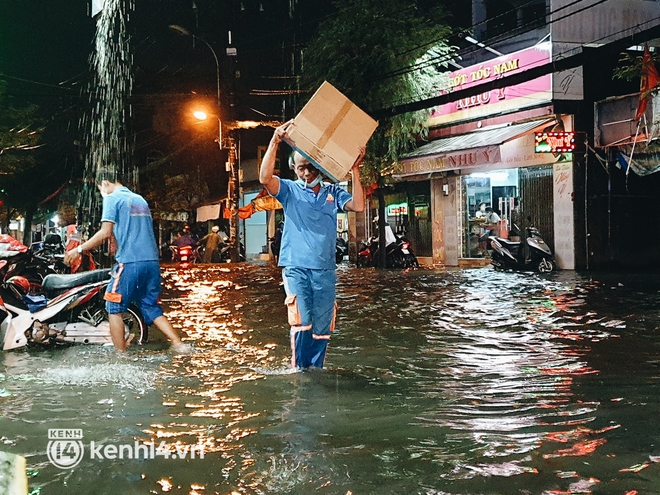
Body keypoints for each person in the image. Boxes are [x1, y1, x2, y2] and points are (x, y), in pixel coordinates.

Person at [259, 119, 366, 369]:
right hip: (296, 267)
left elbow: (359, 206)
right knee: (301, 320)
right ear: (293, 169)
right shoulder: (288, 190)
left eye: (310, 167)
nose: (306, 173)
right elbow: (265, 178)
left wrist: (355, 171)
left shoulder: (334, 192)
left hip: (325, 270)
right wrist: (275, 140)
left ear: (318, 166)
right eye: (300, 169)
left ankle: (315, 371)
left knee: (322, 328)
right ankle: (299, 371)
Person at [63, 169, 191, 353]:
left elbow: (105, 232)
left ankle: (120, 357)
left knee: (113, 306)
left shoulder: (112, 198)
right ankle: (179, 344)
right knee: (149, 305)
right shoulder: (140, 200)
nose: (101, 192)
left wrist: (79, 249)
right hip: (151, 262)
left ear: (105, 183)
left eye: (100, 188)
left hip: (130, 262)